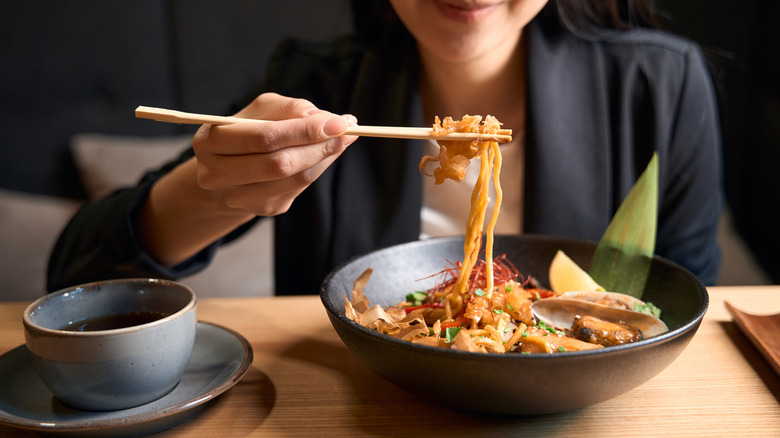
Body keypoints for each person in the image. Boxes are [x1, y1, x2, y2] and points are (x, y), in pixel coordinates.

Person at [47, 0, 723, 295]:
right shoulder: (317, 84)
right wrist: (209, 188)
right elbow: (76, 275)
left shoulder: (662, 87)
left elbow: (686, 301)